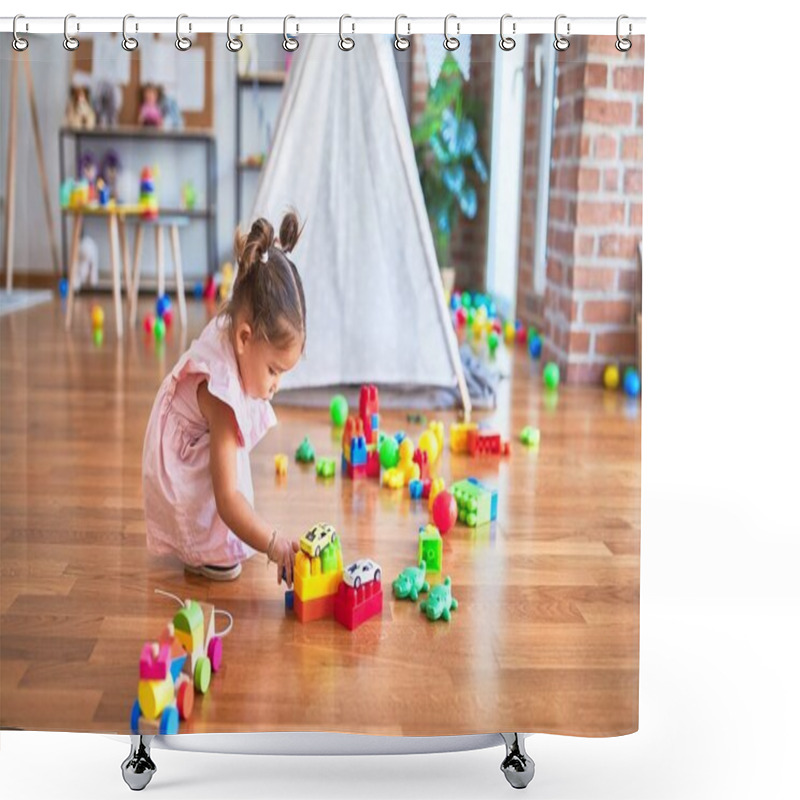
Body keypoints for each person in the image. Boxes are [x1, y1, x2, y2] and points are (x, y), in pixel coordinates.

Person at [142, 213, 305, 584]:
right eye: (274, 370)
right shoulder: (223, 395)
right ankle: (201, 548)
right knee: (224, 533)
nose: (276, 385)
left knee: (229, 454)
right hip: (178, 459)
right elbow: (228, 498)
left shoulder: (233, 327)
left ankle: (211, 543)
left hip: (193, 427)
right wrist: (274, 543)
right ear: (245, 339)